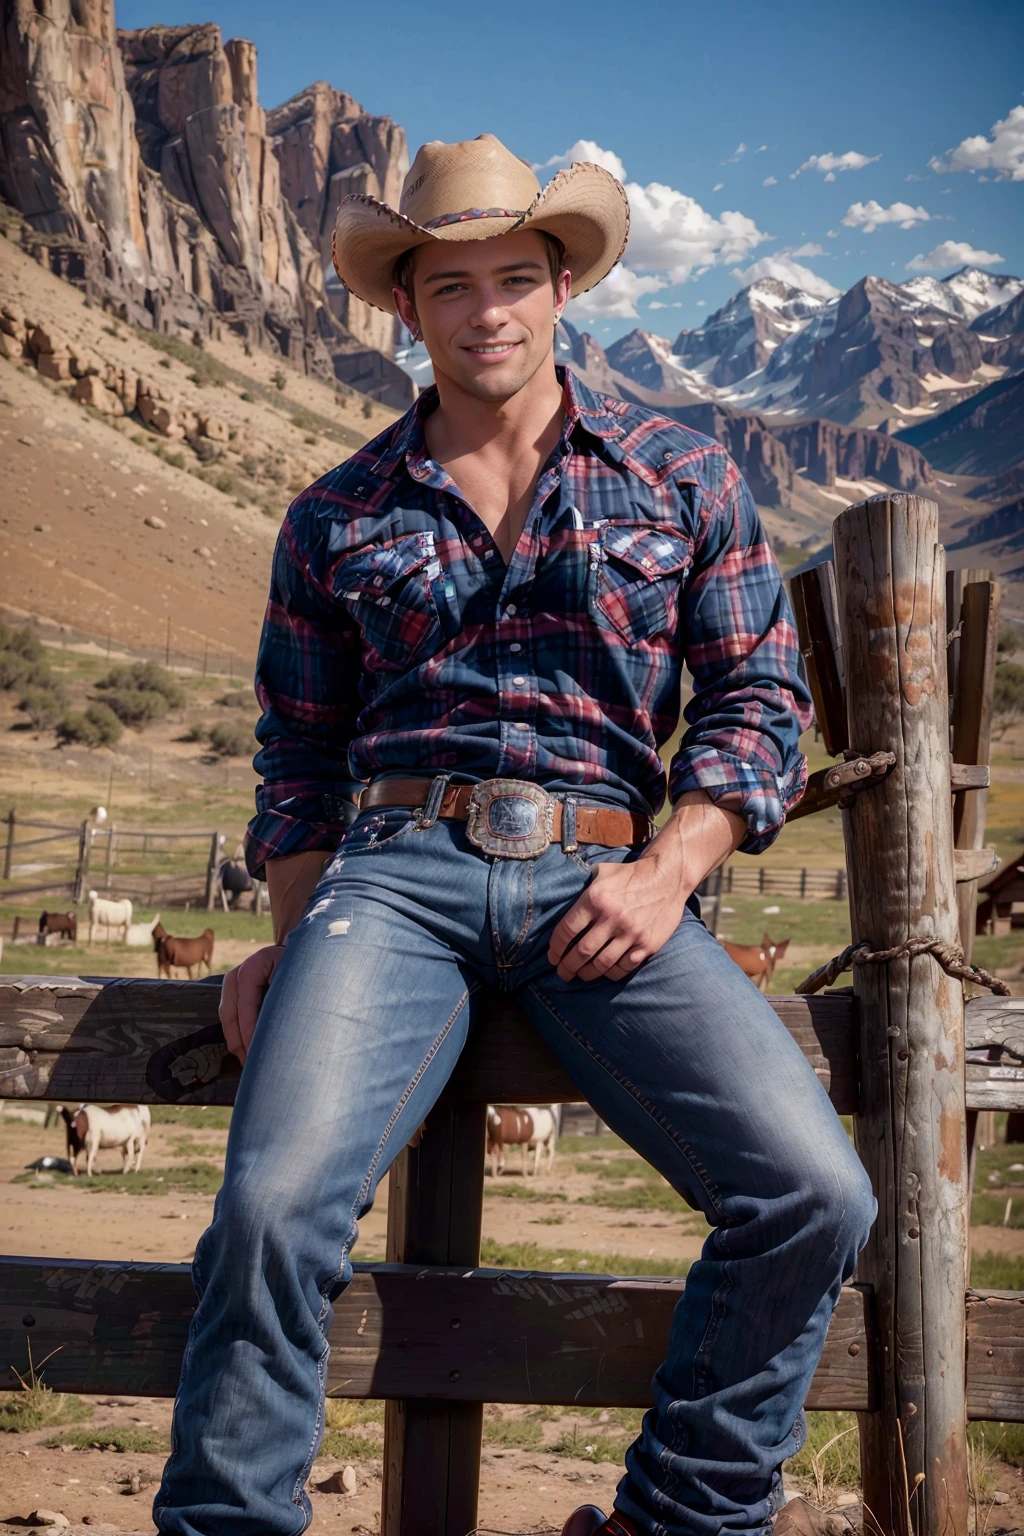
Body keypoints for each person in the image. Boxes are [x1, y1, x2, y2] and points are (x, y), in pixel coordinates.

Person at [154, 134, 875, 1536]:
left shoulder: (685, 474)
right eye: (451, 286)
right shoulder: (336, 513)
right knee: (268, 1210)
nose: (487, 311)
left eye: (514, 278)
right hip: (393, 884)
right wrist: (299, 948)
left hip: (612, 878)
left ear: (563, 290)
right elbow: (298, 754)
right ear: (407, 311)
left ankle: (682, 1517)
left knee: (813, 1193)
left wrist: (673, 867)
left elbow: (756, 702)